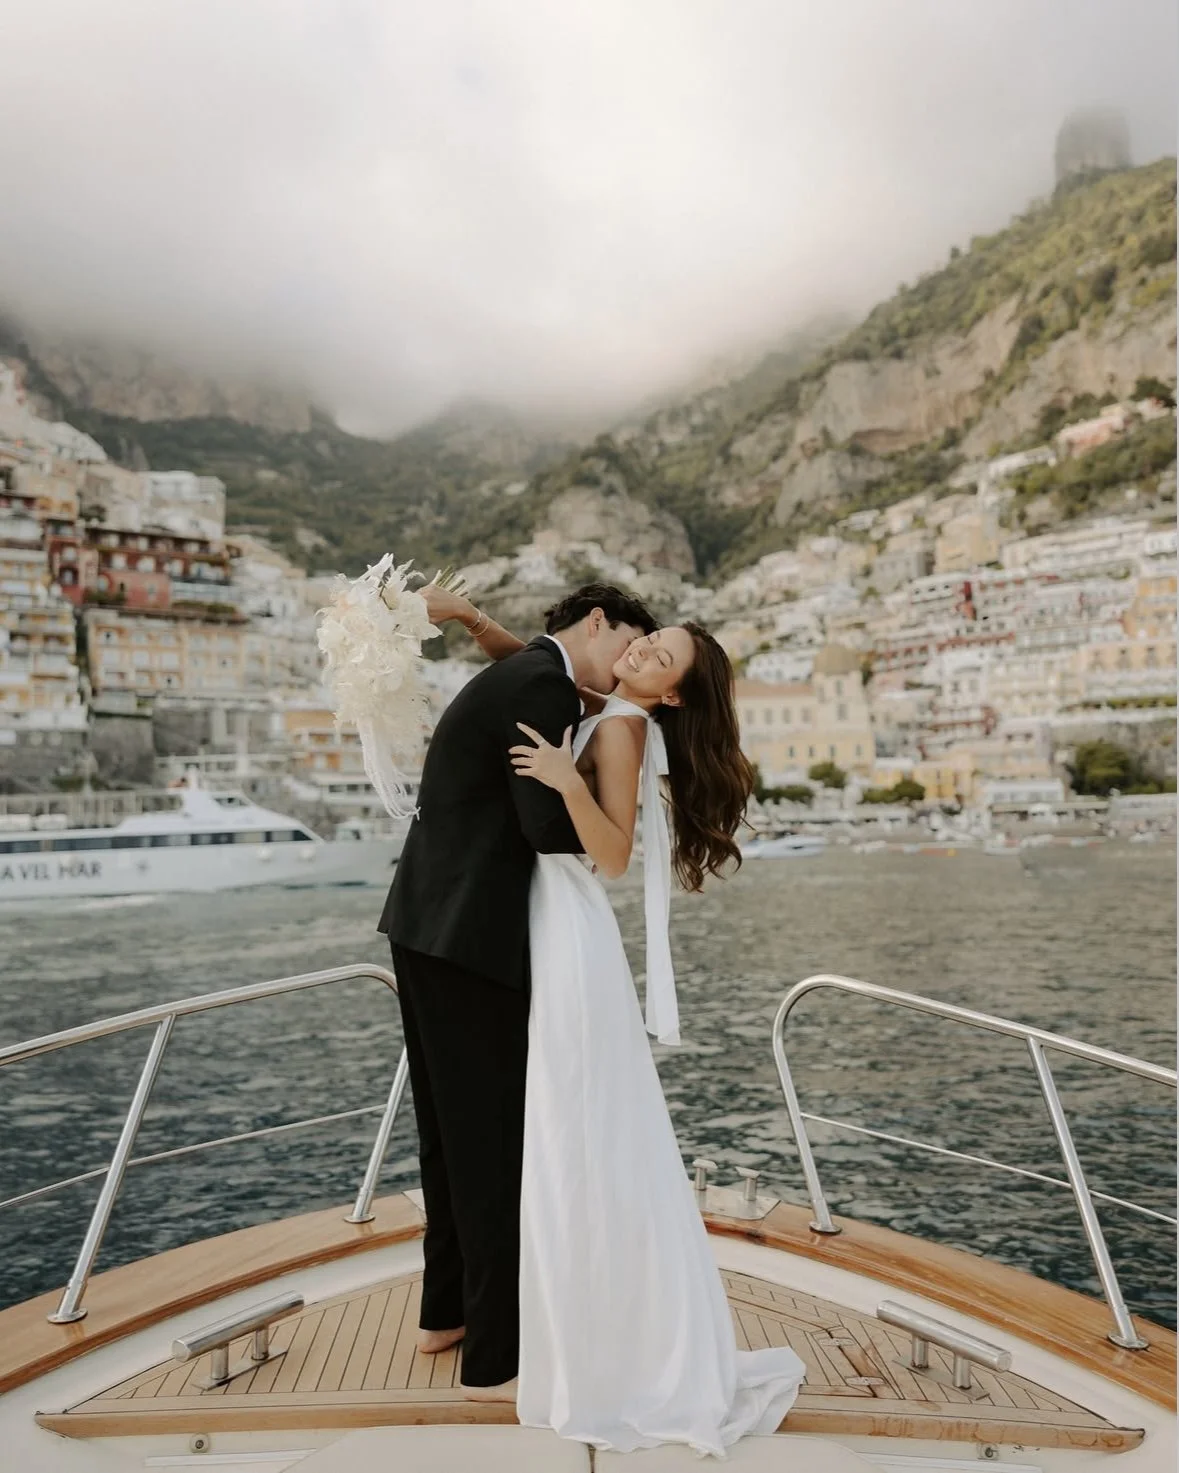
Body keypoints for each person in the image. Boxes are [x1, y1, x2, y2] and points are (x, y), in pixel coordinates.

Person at [423, 584, 806, 1454]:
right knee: (572, 1119)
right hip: (547, 921)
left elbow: (614, 852)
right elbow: (538, 667)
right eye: (647, 640)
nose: (639, 651)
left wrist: (563, 778)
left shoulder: (626, 726)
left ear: (669, 692)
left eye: (657, 655)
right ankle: (571, 1306)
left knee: (569, 1116)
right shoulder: (604, 702)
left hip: (566, 923)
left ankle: (584, 1327)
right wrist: (479, 623)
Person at [377, 583, 656, 1398]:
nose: (628, 663)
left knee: (446, 1134)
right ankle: (495, 1349)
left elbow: (535, 667)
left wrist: (472, 621)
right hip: (471, 937)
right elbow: (542, 828)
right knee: (491, 1141)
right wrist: (583, 791)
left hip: (425, 923)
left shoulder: (534, 673)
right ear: (600, 621)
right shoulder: (542, 684)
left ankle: (444, 1314)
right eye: (630, 642)